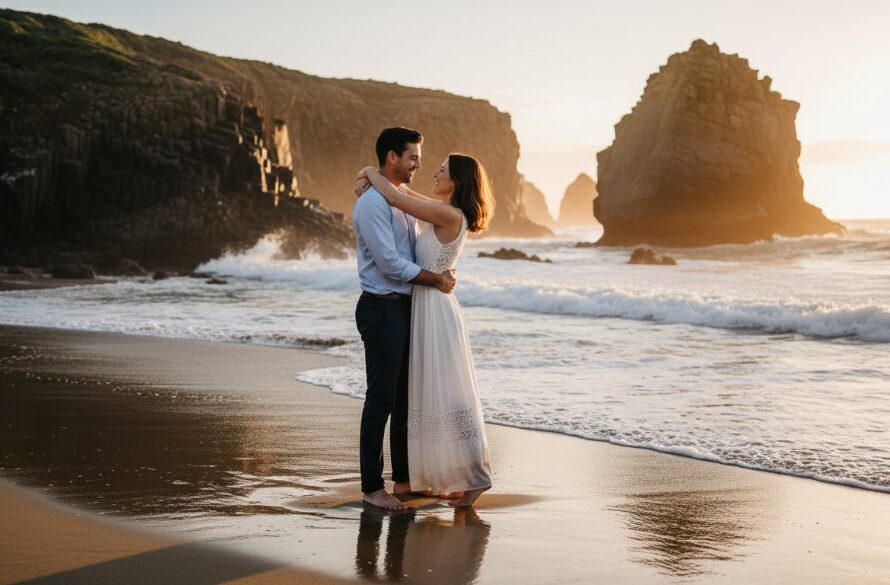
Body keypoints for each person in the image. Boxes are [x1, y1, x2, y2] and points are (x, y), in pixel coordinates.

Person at [356, 150, 494, 508]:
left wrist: (370, 170)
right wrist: (374, 176)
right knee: (429, 391)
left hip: (434, 309)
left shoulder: (448, 213)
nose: (434, 172)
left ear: (457, 181)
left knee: (448, 393)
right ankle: (444, 474)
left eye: (443, 170)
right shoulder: (442, 208)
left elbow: (396, 196)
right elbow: (406, 196)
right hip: (425, 306)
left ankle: (477, 476)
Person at [353, 127, 456, 511]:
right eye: (412, 156)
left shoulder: (397, 200)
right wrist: (437, 280)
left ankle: (403, 481)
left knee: (403, 399)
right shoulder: (372, 205)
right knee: (380, 399)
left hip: (404, 307)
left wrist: (368, 171)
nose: (419, 163)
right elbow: (390, 264)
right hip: (381, 307)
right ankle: (370, 487)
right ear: (392, 158)